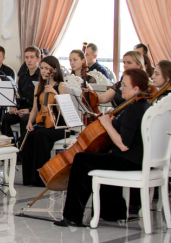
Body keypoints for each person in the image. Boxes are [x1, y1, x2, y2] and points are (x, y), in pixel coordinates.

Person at [55, 69, 153, 227]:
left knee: (81, 159)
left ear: (136, 89)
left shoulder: (133, 108)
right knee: (100, 156)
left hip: (128, 160)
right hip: (138, 159)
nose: (121, 89)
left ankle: (72, 216)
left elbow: (123, 145)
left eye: (125, 86)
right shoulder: (143, 105)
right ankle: (111, 212)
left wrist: (107, 124)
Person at [21, 56, 69, 187]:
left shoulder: (61, 86)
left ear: (55, 70)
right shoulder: (39, 86)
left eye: (47, 68)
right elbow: (35, 109)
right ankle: (29, 178)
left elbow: (63, 111)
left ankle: (42, 177)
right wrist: (29, 122)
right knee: (28, 135)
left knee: (40, 135)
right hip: (44, 123)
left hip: (59, 126)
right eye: (42, 68)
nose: (43, 71)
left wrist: (55, 94)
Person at [2, 46, 40, 139]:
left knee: (25, 120)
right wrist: (15, 107)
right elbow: (19, 96)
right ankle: (11, 144)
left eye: (32, 57)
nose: (29, 60)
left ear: (38, 59)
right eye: (27, 57)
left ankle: (23, 145)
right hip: (22, 110)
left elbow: (41, 101)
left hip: (35, 111)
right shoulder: (22, 76)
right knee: (5, 118)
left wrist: (29, 110)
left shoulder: (41, 77)